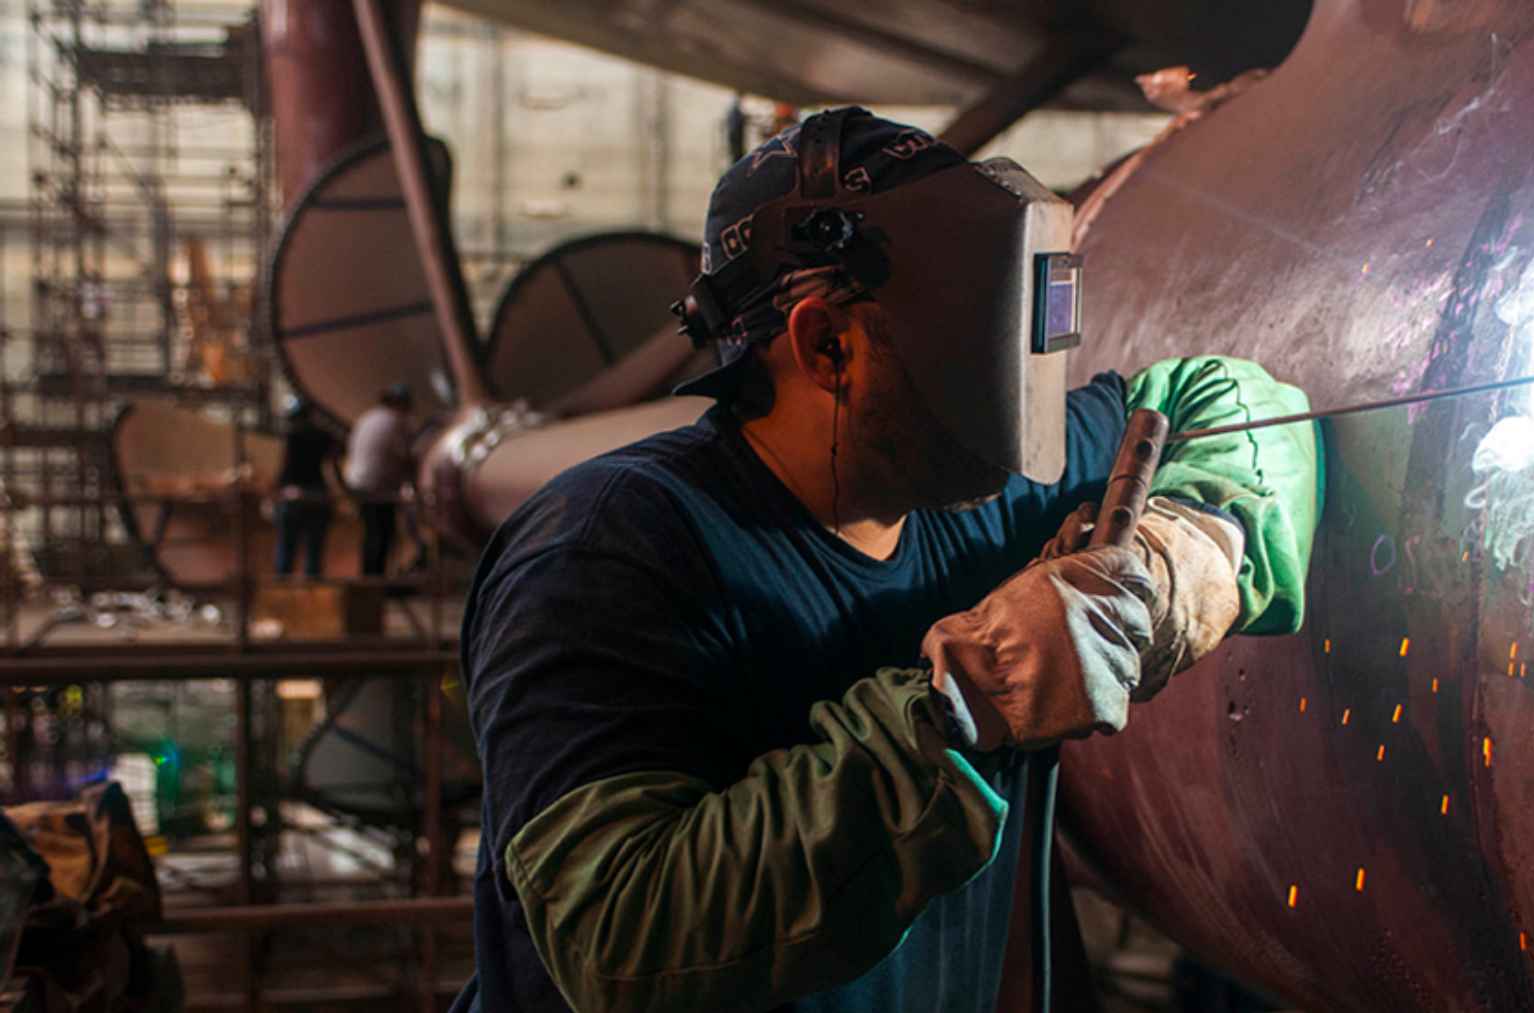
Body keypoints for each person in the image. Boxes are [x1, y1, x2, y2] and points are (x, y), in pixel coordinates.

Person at [453, 108, 1321, 1013]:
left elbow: (1220, 398)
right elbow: (624, 938)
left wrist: (1185, 550)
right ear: (827, 344)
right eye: (980, 337)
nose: (1026, 386)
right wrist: (969, 703)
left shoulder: (980, 491)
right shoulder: (606, 550)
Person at [343, 383, 413, 577]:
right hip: (377, 486)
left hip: (359, 482)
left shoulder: (368, 418)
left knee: (374, 532)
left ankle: (371, 578)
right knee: (381, 534)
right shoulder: (395, 421)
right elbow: (405, 455)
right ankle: (376, 581)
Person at [272, 397, 337, 579]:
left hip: (294, 497)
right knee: (314, 553)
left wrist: (277, 490)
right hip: (317, 495)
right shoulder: (324, 436)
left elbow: (285, 469)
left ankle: (283, 593)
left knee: (286, 550)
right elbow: (334, 465)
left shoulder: (292, 436)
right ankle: (311, 592)